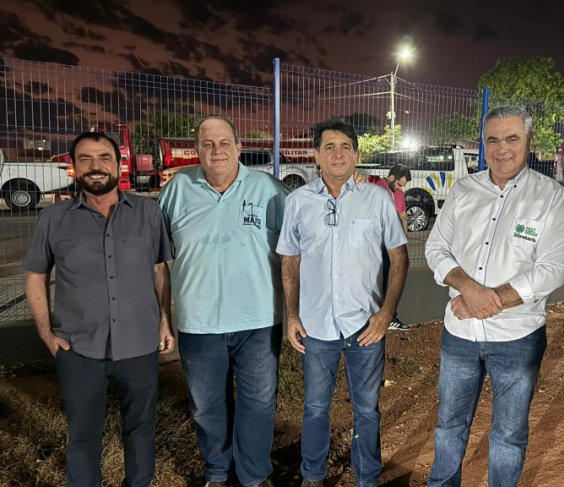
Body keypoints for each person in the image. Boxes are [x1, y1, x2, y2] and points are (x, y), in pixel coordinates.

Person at [425, 106, 564, 487]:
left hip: (518, 337)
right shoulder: (463, 190)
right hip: (459, 334)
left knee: (509, 434)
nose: (502, 149)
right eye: (493, 140)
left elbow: (550, 270)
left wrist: (488, 301)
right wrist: (471, 292)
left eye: (512, 139)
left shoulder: (550, 196)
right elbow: (436, 249)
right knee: (448, 427)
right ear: (483, 144)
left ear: (528, 143)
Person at [24, 131, 174, 486]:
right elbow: (35, 275)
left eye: (104, 158)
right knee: (82, 435)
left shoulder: (148, 212)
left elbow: (158, 270)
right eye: (86, 159)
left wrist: (165, 319)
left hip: (139, 345)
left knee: (140, 429)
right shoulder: (54, 219)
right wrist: (46, 333)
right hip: (78, 348)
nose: (96, 166)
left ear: (119, 165)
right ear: (74, 167)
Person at [277, 118, 409, 487]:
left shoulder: (377, 198)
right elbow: (290, 259)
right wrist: (291, 315)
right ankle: (313, 475)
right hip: (316, 326)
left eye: (345, 147)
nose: (338, 154)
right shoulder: (299, 202)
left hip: (365, 325)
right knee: (315, 407)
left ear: (357, 154)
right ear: (315, 155)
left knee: (367, 409)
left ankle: (367, 477)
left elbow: (399, 258)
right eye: (329, 147)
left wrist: (385, 315)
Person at [158, 116, 287, 487]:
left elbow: (300, 240)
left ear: (239, 147)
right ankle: (217, 471)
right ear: (196, 149)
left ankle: (254, 475)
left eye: (224, 142)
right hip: (198, 322)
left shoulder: (269, 189)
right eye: (208, 144)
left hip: (259, 321)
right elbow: (156, 259)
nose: (217, 151)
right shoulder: (177, 189)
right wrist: (163, 316)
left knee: (259, 405)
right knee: (207, 406)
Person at [371, 164, 412, 331]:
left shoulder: (399, 194)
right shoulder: (376, 189)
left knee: (391, 276)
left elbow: (402, 216)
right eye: (400, 184)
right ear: (392, 178)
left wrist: (404, 237)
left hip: (391, 244)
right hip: (376, 241)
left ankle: (390, 315)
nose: (401, 188)